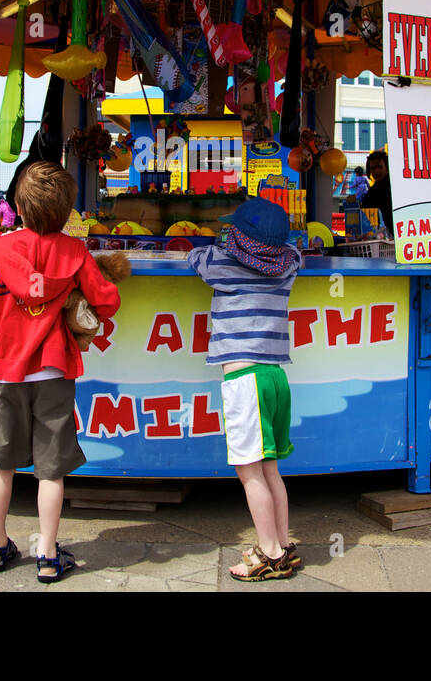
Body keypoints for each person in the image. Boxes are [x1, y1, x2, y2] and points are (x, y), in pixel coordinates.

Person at [0, 162, 120, 583]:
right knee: (50, 471)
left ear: (17, 204)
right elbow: (107, 302)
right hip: (54, 369)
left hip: (6, 368)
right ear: (67, 210)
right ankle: (49, 555)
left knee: (2, 463)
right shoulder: (74, 253)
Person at [187, 197, 302, 582]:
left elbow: (196, 257)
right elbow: (293, 253)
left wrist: (226, 246)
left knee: (249, 471)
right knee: (271, 469)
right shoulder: (289, 267)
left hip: (244, 382)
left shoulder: (221, 265)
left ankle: (268, 553)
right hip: (275, 377)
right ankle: (282, 545)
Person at [359, 151, 392, 235]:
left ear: (387, 168)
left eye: (380, 167)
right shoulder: (371, 192)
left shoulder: (394, 187)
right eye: (373, 168)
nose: (377, 171)